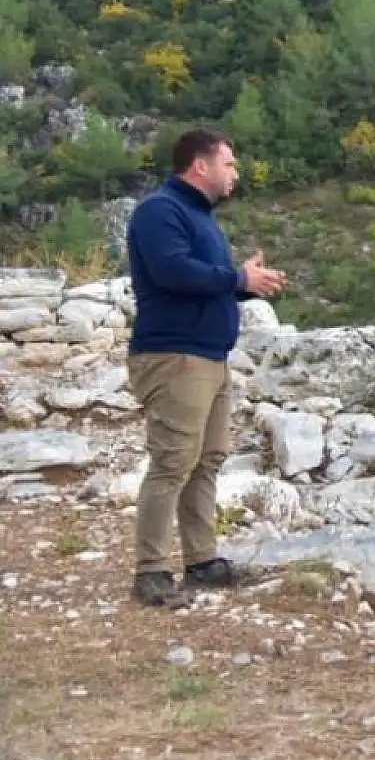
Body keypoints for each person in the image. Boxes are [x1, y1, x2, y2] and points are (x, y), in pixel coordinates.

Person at [126, 129, 286, 609]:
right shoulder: (160, 212)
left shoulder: (199, 218)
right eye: (230, 164)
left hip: (208, 356)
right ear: (201, 165)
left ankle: (202, 560)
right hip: (175, 355)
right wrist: (236, 277)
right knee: (173, 460)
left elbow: (202, 282)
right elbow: (172, 271)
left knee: (208, 458)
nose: (235, 173)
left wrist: (244, 284)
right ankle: (151, 570)